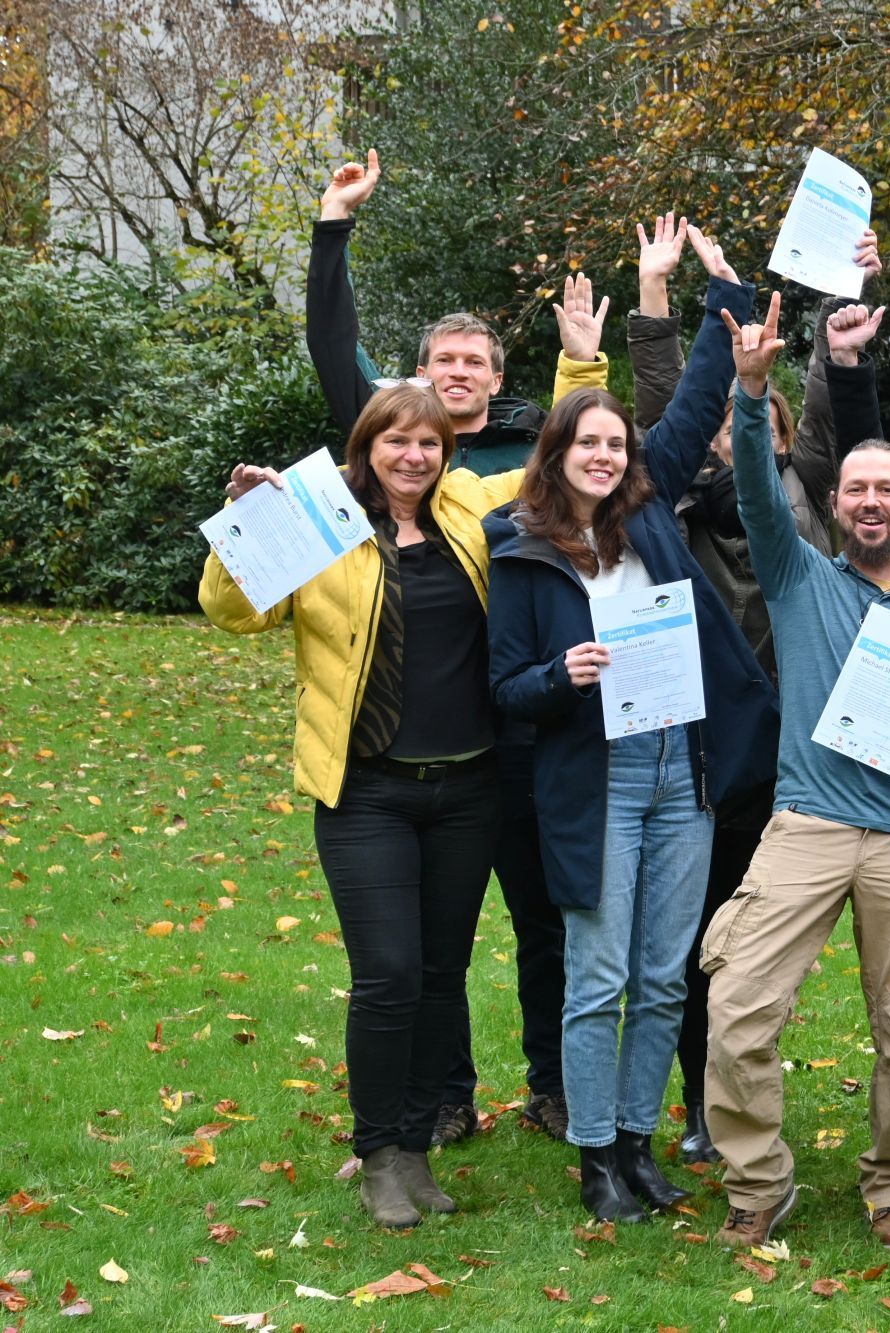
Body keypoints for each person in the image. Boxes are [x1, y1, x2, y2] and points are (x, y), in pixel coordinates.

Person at [550, 239, 885, 1168]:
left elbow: (829, 419)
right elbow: (666, 408)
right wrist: (666, 298)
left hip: (800, 742)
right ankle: (669, 1117)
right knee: (678, 949)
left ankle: (656, 1128)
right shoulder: (658, 507)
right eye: (719, 436)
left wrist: (825, 322)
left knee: (691, 956)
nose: (731, 445)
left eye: (761, 431)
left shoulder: (794, 492)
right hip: (693, 754)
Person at [488, 233, 782, 1221]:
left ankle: (637, 1143)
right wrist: (562, 676)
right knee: (599, 972)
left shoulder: (650, 510)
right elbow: (507, 688)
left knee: (662, 975)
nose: (607, 456)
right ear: (559, 455)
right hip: (595, 776)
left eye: (617, 444)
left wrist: (725, 291)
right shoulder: (523, 553)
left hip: (679, 770)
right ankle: (592, 1156)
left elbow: (700, 393)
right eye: (589, 444)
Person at [199, 383, 523, 1228]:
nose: (414, 457)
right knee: (388, 976)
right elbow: (232, 613)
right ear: (366, 446)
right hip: (367, 790)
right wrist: (246, 526)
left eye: (429, 444)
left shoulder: (464, 514)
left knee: (442, 978)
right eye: (396, 442)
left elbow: (552, 468)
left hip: (468, 788)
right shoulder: (318, 520)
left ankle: (416, 1146)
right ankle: (379, 1150)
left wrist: (584, 370)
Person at [701, 293, 890, 1255]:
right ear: (839, 501)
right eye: (853, 488)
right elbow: (764, 495)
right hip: (807, 821)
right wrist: (751, 385)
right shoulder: (797, 572)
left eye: (883, 490)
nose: (866, 502)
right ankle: (759, 1179)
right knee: (737, 1005)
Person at [309, 150, 567, 1145]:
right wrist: (334, 228)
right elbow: (336, 353)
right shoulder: (386, 462)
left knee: (524, 922)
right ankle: (442, 1097)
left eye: (473, 364)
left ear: (498, 381)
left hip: (515, 727)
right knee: (416, 951)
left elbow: (590, 455)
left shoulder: (513, 466)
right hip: (395, 753)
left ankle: (550, 1084)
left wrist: (591, 351)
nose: (455, 378)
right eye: (440, 363)